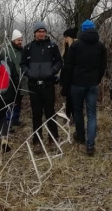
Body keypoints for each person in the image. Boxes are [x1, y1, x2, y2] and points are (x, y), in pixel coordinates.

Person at [20, 22, 63, 152]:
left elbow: (59, 62)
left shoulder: (52, 47)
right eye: (39, 31)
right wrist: (29, 73)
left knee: (50, 114)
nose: (42, 33)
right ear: (34, 33)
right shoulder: (28, 48)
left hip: (48, 85)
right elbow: (22, 64)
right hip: (34, 86)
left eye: (44, 31)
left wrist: (51, 72)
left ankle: (53, 140)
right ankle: (37, 142)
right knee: (36, 115)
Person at [67, 19, 107, 156]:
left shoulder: (76, 46)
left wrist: (68, 82)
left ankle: (80, 136)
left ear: (82, 30)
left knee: (78, 111)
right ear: (94, 29)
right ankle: (90, 145)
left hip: (77, 83)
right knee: (91, 114)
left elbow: (68, 66)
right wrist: (97, 79)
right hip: (92, 84)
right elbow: (103, 66)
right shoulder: (100, 46)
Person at [5, 29, 25, 128]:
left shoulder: (22, 50)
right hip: (10, 80)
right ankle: (8, 122)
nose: (20, 42)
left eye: (21, 40)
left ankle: (16, 119)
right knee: (10, 101)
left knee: (19, 100)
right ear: (13, 40)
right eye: (18, 40)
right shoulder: (7, 50)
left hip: (21, 80)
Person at [60, 27, 78, 124]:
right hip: (67, 78)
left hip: (74, 78)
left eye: (66, 37)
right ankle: (67, 117)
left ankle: (74, 117)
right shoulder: (66, 49)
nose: (65, 39)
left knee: (74, 99)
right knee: (68, 99)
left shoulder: (76, 48)